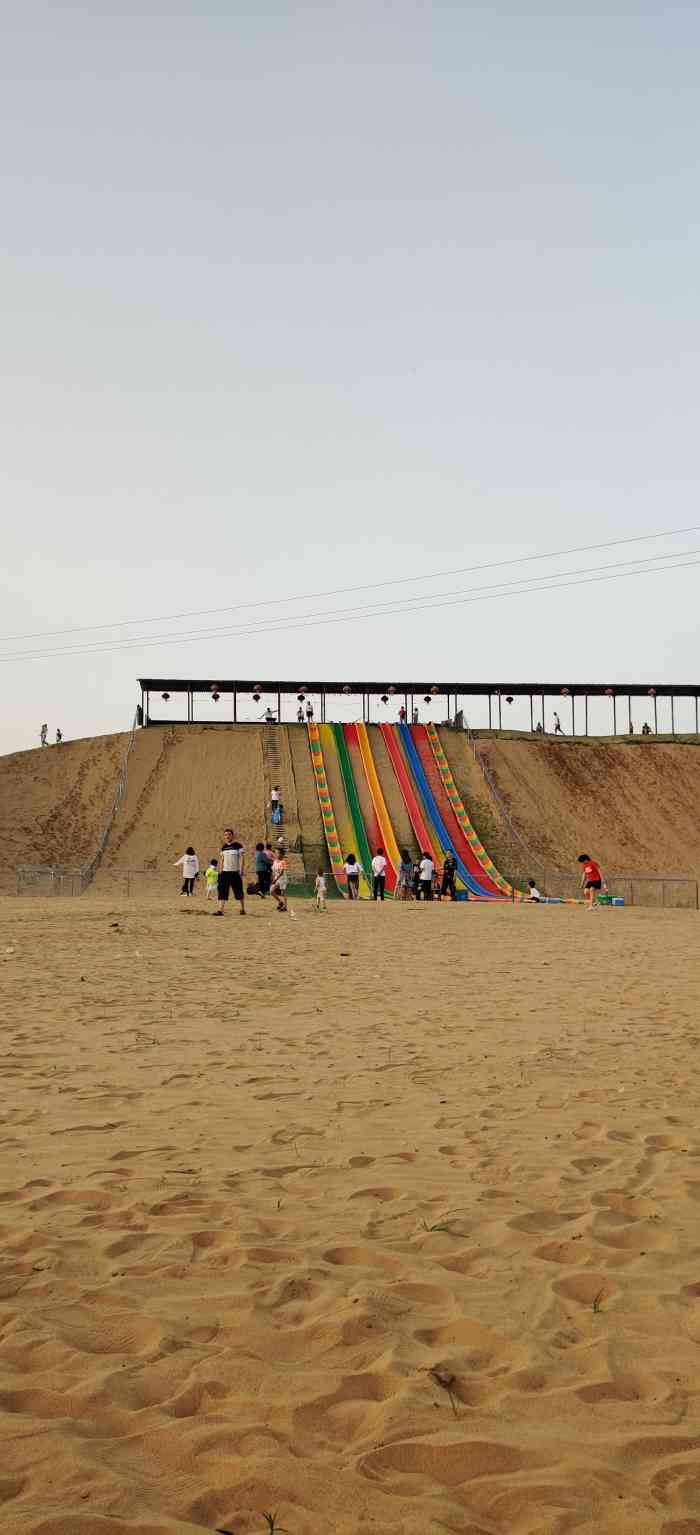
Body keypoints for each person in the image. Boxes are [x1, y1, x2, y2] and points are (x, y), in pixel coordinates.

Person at [214, 829, 245, 916]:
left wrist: (241, 869)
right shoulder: (223, 847)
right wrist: (220, 870)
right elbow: (221, 859)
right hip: (224, 873)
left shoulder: (238, 845)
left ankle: (242, 909)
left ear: (232, 835)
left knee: (238, 891)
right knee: (222, 891)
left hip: (235, 872)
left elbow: (242, 858)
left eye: (229, 834)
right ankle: (220, 910)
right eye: (225, 835)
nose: (227, 836)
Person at [270, 845, 288, 911]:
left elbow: (281, 873)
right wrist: (273, 878)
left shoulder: (283, 862)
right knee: (271, 891)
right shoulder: (275, 861)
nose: (276, 854)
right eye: (276, 852)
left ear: (281, 854)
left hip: (282, 879)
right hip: (277, 879)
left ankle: (285, 907)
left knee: (283, 892)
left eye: (277, 853)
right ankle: (280, 902)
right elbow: (273, 871)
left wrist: (275, 879)